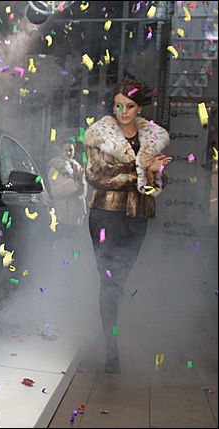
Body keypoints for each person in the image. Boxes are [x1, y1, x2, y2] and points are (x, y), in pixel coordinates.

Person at [83, 80, 172, 373]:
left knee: (120, 279)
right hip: (106, 215)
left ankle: (113, 333)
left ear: (139, 108)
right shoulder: (98, 135)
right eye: (118, 105)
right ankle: (111, 347)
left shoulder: (153, 138)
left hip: (137, 216)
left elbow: (156, 186)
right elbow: (96, 175)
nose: (123, 111)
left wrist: (155, 172)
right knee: (109, 279)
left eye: (129, 106)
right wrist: (142, 171)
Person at [46, 141, 88, 237]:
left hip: (76, 215)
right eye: (65, 150)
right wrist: (75, 183)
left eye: (70, 150)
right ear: (61, 151)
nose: (68, 153)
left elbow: (83, 193)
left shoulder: (77, 166)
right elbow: (55, 191)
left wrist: (81, 183)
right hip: (63, 216)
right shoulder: (55, 169)